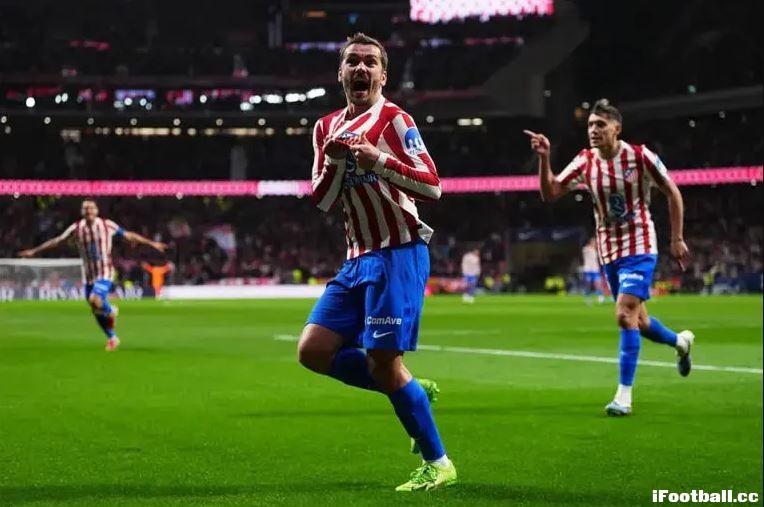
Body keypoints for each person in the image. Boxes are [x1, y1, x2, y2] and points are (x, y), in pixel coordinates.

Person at [297, 32, 456, 491]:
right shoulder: (325, 128)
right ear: (341, 73)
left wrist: (380, 160)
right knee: (313, 350)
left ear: (383, 76)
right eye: (353, 61)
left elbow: (433, 186)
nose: (361, 68)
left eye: (370, 62)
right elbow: (323, 200)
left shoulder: (396, 120)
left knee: (385, 362)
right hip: (356, 259)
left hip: (398, 253)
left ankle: (439, 463)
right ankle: (411, 389)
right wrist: (337, 163)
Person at [524, 99, 695, 417]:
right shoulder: (586, 161)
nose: (593, 130)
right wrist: (545, 158)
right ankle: (681, 343)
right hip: (608, 251)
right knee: (640, 321)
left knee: (623, 314)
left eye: (600, 125)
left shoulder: (640, 157)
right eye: (590, 125)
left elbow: (673, 192)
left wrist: (677, 238)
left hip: (640, 245)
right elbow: (551, 193)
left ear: (617, 128)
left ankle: (623, 397)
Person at [18, 199, 167, 350]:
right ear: (82, 212)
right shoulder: (76, 228)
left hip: (105, 272)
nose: (89, 211)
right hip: (89, 275)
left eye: (91, 208)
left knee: (95, 300)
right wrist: (34, 251)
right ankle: (112, 338)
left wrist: (152, 243)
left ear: (96, 211)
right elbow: (57, 241)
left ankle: (111, 310)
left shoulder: (106, 225)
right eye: (86, 208)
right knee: (95, 309)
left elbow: (129, 235)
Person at [581, 237, 605, 304]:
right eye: (593, 242)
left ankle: (600, 297)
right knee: (588, 284)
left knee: (598, 283)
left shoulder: (596, 251)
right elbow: (584, 251)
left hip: (595, 270)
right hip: (588, 269)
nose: (595, 243)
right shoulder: (586, 249)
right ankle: (587, 298)